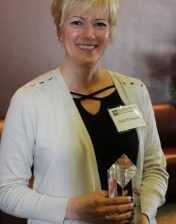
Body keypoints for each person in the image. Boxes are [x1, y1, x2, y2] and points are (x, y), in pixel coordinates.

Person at [0, 0, 168, 224]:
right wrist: (72, 210)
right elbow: (6, 190)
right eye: (77, 22)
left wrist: (144, 215)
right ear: (60, 30)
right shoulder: (29, 99)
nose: (89, 34)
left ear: (110, 32)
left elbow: (154, 169)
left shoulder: (135, 91)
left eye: (100, 24)